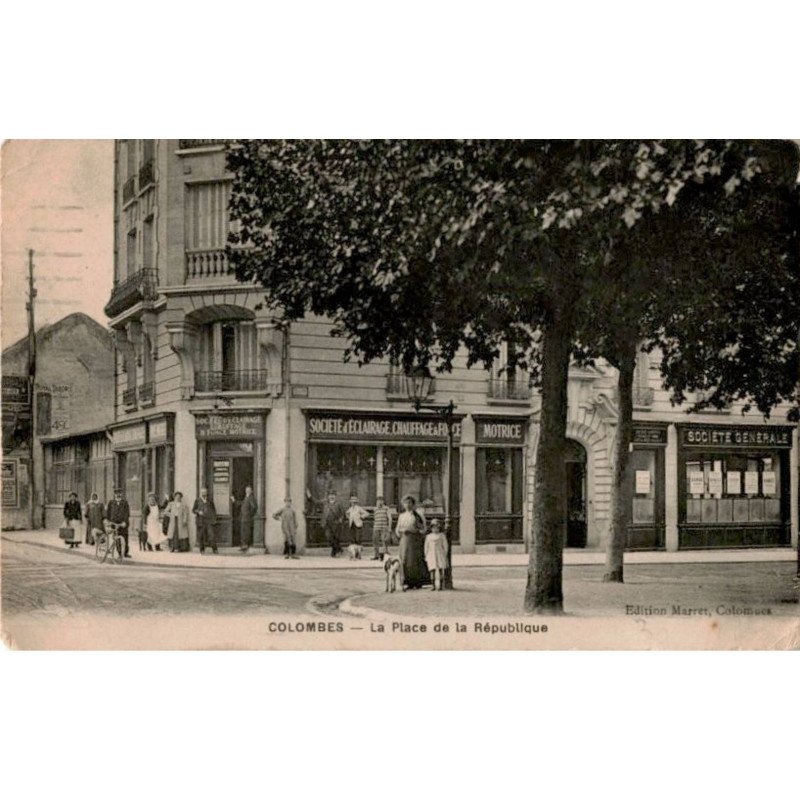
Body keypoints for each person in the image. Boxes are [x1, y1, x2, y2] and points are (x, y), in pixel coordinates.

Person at [395, 494, 428, 589]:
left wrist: (414, 531)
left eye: (410, 503)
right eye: (405, 503)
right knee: (404, 561)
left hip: (415, 541)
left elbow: (423, 529)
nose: (407, 505)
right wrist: (399, 533)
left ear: (413, 504)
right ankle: (407, 581)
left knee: (414, 561)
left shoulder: (417, 515)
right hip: (404, 540)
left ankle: (417, 582)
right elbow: (398, 528)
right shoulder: (401, 516)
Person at [106, 487, 131, 558]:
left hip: (123, 523)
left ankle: (125, 552)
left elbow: (127, 513)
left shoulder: (125, 503)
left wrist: (125, 522)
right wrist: (108, 521)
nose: (118, 495)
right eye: (116, 494)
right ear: (114, 495)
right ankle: (119, 553)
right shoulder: (111, 503)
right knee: (116, 538)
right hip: (114, 523)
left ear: (121, 494)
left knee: (125, 538)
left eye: (119, 493)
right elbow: (108, 513)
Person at [424, 518, 448, 591]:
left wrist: (445, 553)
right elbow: (426, 546)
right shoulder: (429, 536)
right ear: (431, 528)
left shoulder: (441, 536)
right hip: (431, 554)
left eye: (437, 527)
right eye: (433, 528)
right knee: (432, 570)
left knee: (440, 569)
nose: (435, 529)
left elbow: (445, 545)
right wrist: (426, 554)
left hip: (439, 553)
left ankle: (440, 585)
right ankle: (433, 585)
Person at [193, 487, 218, 554]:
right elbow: (193, 510)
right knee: (201, 536)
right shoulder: (197, 500)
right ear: (201, 493)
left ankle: (215, 549)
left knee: (211, 535)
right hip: (201, 521)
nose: (204, 493)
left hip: (209, 521)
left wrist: (214, 519)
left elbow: (213, 510)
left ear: (207, 493)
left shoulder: (210, 500)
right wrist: (198, 512)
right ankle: (202, 550)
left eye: (205, 492)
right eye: (203, 492)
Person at [321, 491, 345, 558]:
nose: (331, 496)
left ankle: (334, 551)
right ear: (328, 496)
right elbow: (316, 502)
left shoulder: (339, 503)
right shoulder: (325, 503)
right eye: (330, 495)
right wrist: (310, 496)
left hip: (336, 523)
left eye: (333, 495)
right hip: (327, 524)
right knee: (328, 537)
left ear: (335, 496)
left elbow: (343, 513)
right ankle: (339, 549)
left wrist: (340, 519)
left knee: (335, 538)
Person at [371, 495, 393, 561]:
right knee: (375, 541)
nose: (379, 502)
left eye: (381, 501)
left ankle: (385, 555)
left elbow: (390, 518)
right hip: (376, 527)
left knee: (384, 541)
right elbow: (374, 518)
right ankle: (376, 555)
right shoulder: (375, 509)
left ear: (383, 502)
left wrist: (389, 528)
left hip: (384, 527)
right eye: (378, 501)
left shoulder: (386, 508)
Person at [239, 486, 258, 553]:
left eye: (249, 490)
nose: (247, 491)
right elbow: (242, 504)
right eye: (246, 490)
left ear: (251, 491)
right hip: (243, 518)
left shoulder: (251, 498)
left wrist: (249, 515)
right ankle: (243, 545)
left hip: (247, 518)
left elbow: (254, 507)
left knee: (246, 532)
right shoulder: (246, 497)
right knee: (243, 531)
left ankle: (245, 546)